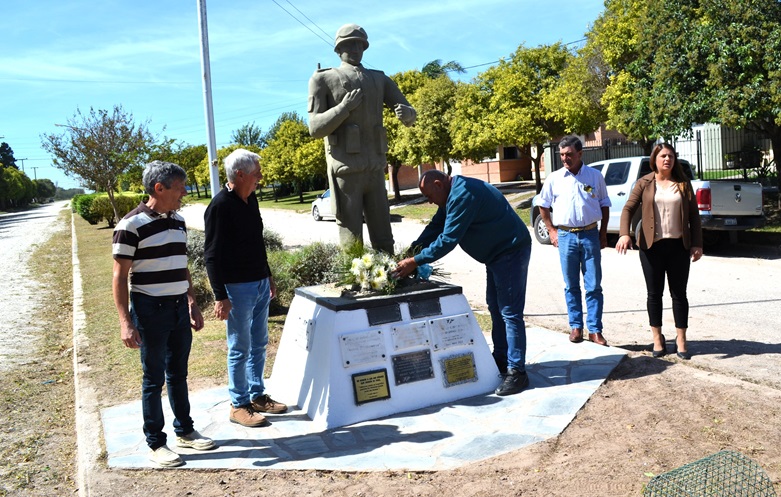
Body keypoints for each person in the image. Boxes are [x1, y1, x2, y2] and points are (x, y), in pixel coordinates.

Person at [112, 160, 216, 468]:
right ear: (160, 188)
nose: (185, 191)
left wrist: (192, 302)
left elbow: (181, 265)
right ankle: (156, 443)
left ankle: (185, 430)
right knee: (153, 378)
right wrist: (125, 322)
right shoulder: (130, 226)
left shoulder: (179, 221)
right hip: (149, 309)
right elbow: (119, 277)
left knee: (178, 374)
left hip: (177, 308)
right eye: (180, 186)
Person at [392, 170, 533, 396]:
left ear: (439, 184)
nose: (429, 201)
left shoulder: (462, 196)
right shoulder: (450, 195)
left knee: (509, 312)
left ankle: (517, 372)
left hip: (510, 251)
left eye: (429, 195)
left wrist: (415, 261)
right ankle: (501, 360)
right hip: (496, 254)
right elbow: (435, 227)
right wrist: (412, 251)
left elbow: (448, 240)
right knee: (495, 308)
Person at [308, 23, 417, 253]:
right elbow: (315, 128)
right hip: (346, 171)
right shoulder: (323, 79)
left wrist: (407, 114)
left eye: (360, 44)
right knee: (351, 240)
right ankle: (355, 282)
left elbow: (410, 111)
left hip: (375, 169)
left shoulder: (379, 80)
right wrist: (344, 108)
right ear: (338, 49)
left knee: (384, 238)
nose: (356, 49)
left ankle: (388, 280)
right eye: (349, 44)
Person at [204, 149, 287, 428]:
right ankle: (238, 405)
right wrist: (220, 296)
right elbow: (211, 255)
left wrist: (269, 275)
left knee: (260, 343)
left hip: (260, 283)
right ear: (239, 175)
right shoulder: (219, 206)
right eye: (256, 174)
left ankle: (257, 395)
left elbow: (257, 242)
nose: (260, 178)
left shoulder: (251, 200)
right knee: (240, 347)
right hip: (237, 289)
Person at [615, 143, 703, 359]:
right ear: (654, 159)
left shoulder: (683, 184)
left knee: (679, 294)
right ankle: (657, 338)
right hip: (651, 247)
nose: (667, 160)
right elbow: (628, 208)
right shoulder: (644, 183)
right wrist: (624, 234)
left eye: (671, 156)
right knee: (654, 294)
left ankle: (681, 339)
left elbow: (694, 216)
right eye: (663, 156)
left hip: (678, 246)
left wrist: (697, 243)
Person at [536, 135, 611, 346]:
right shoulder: (554, 178)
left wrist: (603, 233)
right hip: (566, 236)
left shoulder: (595, 176)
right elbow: (543, 204)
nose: (565, 159)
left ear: (580, 154)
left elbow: (604, 204)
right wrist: (551, 230)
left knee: (594, 285)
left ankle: (595, 330)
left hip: (590, 235)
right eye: (561, 155)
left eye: (569, 154)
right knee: (571, 285)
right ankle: (576, 326)